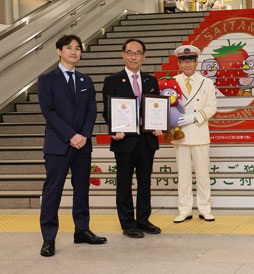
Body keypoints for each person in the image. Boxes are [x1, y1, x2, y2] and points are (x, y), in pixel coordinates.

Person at [38, 34, 107, 257]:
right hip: (58, 145)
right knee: (53, 192)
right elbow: (49, 112)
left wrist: (84, 136)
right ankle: (48, 238)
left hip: (82, 145)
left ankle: (82, 230)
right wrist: (71, 136)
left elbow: (91, 112)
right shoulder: (47, 79)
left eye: (77, 48)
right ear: (59, 51)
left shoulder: (86, 81)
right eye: (69, 48)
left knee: (82, 190)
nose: (74, 52)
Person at [102, 38, 162, 238]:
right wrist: (114, 129)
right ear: (123, 55)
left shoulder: (151, 80)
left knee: (145, 183)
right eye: (130, 52)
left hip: (147, 140)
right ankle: (128, 224)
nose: (134, 56)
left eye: (138, 53)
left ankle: (143, 220)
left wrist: (158, 125)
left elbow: (156, 108)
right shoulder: (111, 80)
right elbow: (107, 112)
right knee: (124, 184)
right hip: (124, 141)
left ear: (144, 56)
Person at [171, 45, 217, 223]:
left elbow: (212, 107)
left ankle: (205, 208)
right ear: (179, 63)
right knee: (183, 175)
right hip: (180, 133)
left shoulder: (207, 82)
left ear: (197, 62)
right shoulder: (172, 81)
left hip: (199, 132)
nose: (187, 64)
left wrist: (194, 117)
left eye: (190, 61)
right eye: (184, 61)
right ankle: (184, 209)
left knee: (203, 174)